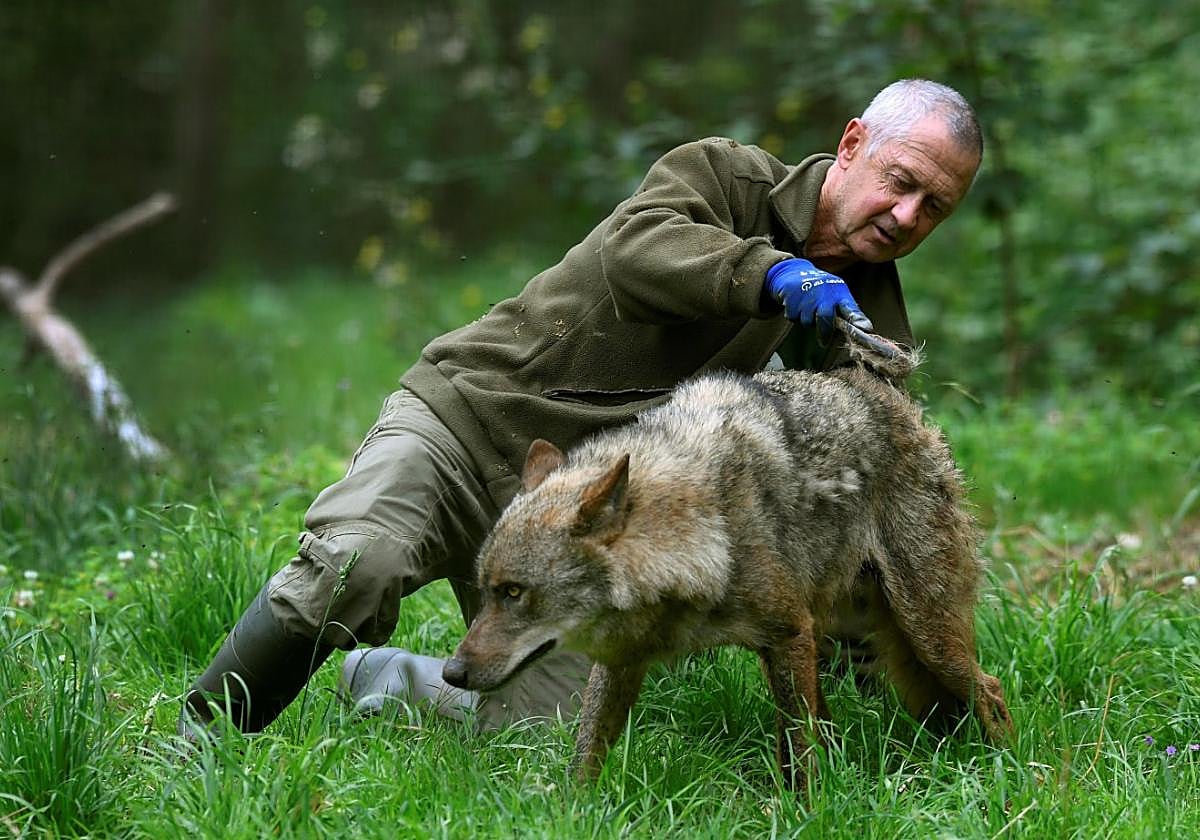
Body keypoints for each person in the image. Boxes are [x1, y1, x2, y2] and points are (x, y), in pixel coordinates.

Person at [180, 78, 983, 736]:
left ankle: (391, 680)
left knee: (541, 727)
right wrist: (770, 275)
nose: (908, 216)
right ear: (851, 146)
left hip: (580, 528)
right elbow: (639, 249)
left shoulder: (867, 322)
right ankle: (197, 742)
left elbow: (848, 489)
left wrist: (873, 651)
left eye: (934, 208)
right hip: (472, 424)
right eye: (901, 182)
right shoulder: (725, 177)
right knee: (355, 569)